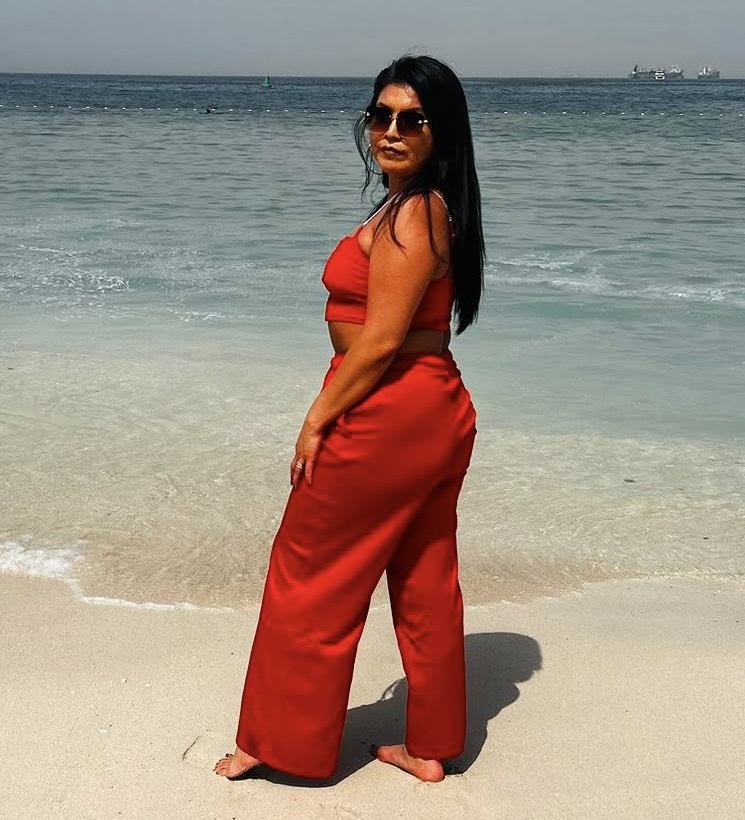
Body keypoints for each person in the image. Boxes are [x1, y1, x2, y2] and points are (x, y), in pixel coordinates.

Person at [215, 55, 485, 784]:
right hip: (430, 407)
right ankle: (430, 746)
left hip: (386, 407)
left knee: (307, 572)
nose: (390, 131)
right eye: (380, 116)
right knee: (426, 576)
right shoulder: (422, 208)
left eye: (411, 119)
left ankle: (279, 743)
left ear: (441, 131)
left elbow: (382, 341)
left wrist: (315, 418)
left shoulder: (414, 213)